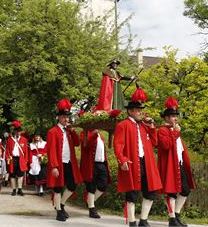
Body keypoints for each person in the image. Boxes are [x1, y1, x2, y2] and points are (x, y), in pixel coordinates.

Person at [113, 88, 162, 227]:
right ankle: (132, 222)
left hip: (146, 162)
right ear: (130, 111)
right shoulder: (123, 125)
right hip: (132, 162)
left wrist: (152, 126)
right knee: (132, 193)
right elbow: (118, 145)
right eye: (138, 110)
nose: (141, 112)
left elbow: (154, 142)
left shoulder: (144, 126)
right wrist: (121, 159)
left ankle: (143, 220)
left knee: (151, 191)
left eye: (141, 110)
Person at [157, 97, 196, 227]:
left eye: (176, 116)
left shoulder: (175, 130)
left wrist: (176, 133)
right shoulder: (162, 130)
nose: (175, 118)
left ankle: (177, 215)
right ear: (166, 118)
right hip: (170, 166)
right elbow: (166, 145)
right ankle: (172, 218)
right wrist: (175, 134)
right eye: (173, 116)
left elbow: (180, 149)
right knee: (171, 192)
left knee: (185, 190)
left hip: (179, 164)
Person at [46, 98, 83, 222]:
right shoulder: (52, 132)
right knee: (57, 187)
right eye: (63, 117)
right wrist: (54, 166)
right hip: (59, 163)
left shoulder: (69, 131)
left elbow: (77, 143)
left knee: (72, 185)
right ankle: (58, 212)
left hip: (69, 163)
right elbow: (51, 150)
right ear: (59, 118)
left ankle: (61, 204)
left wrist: (72, 131)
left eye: (67, 117)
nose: (66, 119)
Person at [80, 128, 112, 218]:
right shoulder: (84, 133)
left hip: (101, 164)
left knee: (103, 185)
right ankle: (92, 209)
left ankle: (90, 201)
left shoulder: (100, 135)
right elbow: (85, 146)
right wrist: (93, 135)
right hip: (91, 164)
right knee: (91, 187)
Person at [5, 120, 29, 196]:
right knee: (12, 174)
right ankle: (14, 190)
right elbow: (7, 150)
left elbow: (26, 151)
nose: (18, 132)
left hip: (21, 159)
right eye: (17, 131)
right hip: (12, 159)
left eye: (19, 131)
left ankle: (20, 189)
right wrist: (7, 158)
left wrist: (26, 160)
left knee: (20, 175)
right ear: (14, 131)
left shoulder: (24, 140)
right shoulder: (9, 140)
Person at [28, 130, 47, 196]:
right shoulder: (31, 144)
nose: (37, 137)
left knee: (41, 174)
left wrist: (42, 155)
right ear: (34, 137)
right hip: (34, 160)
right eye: (36, 136)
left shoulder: (44, 143)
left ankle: (41, 189)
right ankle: (37, 187)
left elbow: (46, 151)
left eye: (38, 136)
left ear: (40, 136)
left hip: (42, 160)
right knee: (36, 175)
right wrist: (30, 162)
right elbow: (30, 154)